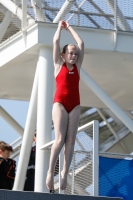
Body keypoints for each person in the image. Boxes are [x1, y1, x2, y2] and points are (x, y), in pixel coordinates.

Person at [46, 21, 84, 191]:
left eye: (75, 54)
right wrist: (60, 29)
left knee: (70, 141)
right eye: (70, 53)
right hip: (59, 104)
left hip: (75, 105)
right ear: (63, 55)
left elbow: (81, 43)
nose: (74, 56)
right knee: (60, 139)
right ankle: (49, 171)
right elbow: (55, 42)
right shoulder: (58, 65)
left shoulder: (77, 67)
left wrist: (70, 28)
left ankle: (64, 173)